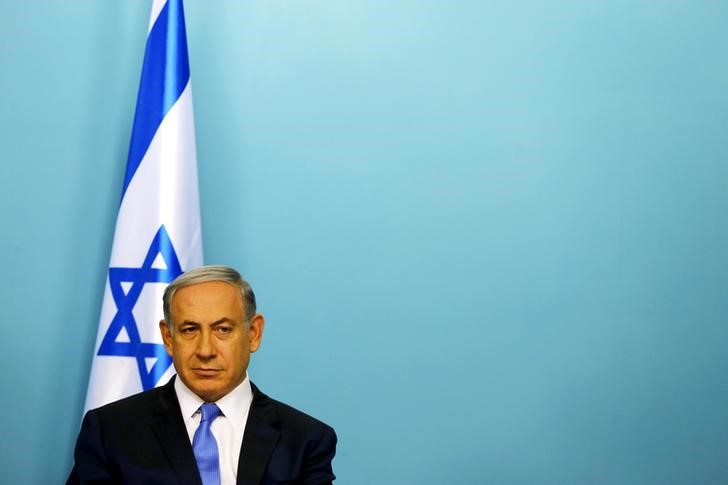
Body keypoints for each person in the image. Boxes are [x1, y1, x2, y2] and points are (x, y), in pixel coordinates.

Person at [67, 265, 337, 484]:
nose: (205, 350)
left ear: (253, 334)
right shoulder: (110, 432)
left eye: (223, 330)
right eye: (189, 330)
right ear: (168, 338)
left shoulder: (305, 440)